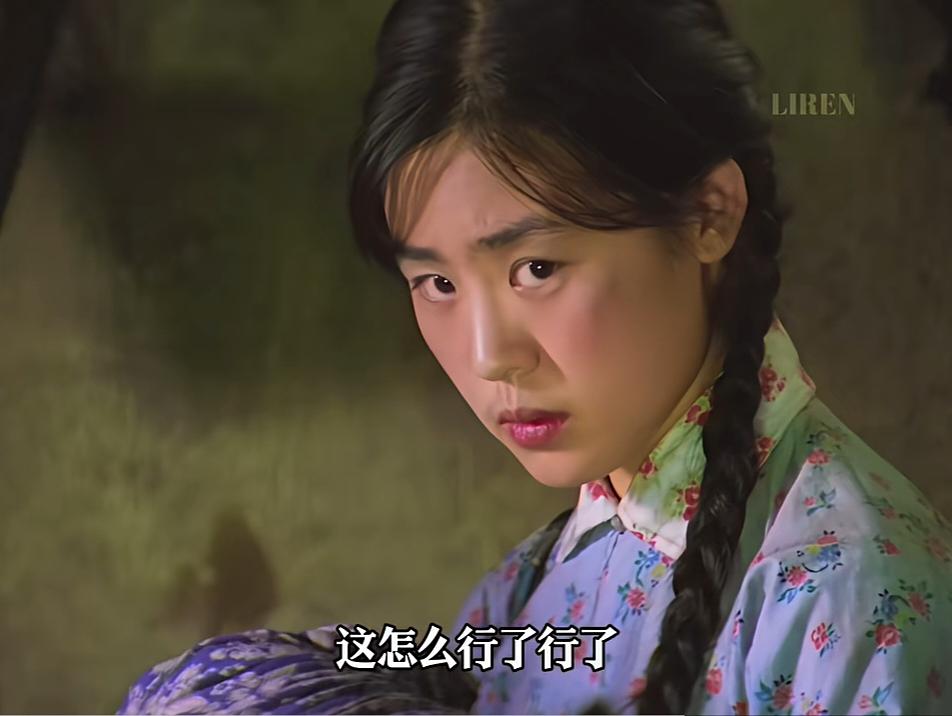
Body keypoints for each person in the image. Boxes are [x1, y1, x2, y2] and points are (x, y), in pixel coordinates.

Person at [116, 0, 952, 713]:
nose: (490, 358)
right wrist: (280, 675)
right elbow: (468, 666)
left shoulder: (848, 598)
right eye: (438, 283)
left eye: (537, 269)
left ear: (709, 213)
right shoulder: (566, 552)